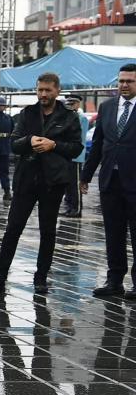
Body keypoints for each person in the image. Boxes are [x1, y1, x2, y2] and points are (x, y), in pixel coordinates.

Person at [0, 72, 82, 295]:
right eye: (40, 90)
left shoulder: (68, 117)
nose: (43, 94)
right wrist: (29, 140)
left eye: (48, 90)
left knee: (48, 231)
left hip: (52, 182)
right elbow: (14, 143)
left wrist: (53, 144)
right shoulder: (26, 114)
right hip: (27, 179)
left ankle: (41, 278)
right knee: (13, 228)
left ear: (57, 91)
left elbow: (76, 148)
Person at [82, 63, 136, 298]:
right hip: (110, 182)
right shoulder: (107, 107)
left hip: (135, 182)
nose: (124, 85)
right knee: (113, 233)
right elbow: (98, 146)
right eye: (121, 81)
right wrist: (85, 176)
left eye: (130, 81)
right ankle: (114, 281)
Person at [61, 94, 88, 218]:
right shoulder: (66, 116)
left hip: (76, 155)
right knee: (67, 183)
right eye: (68, 103)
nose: (70, 105)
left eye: (73, 103)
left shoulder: (81, 118)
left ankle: (76, 209)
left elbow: (77, 136)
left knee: (75, 184)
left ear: (78, 104)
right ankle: (69, 207)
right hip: (66, 154)